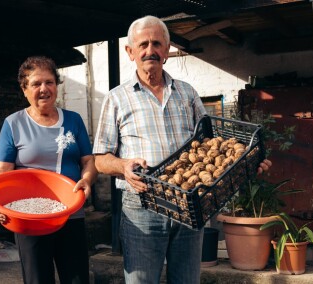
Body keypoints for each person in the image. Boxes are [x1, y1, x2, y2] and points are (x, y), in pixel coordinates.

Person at [92, 15, 272, 284]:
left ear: (166, 50)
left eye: (156, 43)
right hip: (143, 206)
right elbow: (100, 160)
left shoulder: (187, 93)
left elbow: (214, 144)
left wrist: (245, 160)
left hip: (191, 204)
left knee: (187, 280)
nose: (149, 50)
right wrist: (123, 166)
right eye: (142, 44)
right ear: (130, 52)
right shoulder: (117, 98)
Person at [0, 55, 97, 284]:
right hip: (30, 218)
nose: (44, 89)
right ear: (24, 90)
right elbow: (1, 169)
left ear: (56, 85)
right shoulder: (14, 123)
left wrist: (87, 180)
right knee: (38, 279)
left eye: (49, 82)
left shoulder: (73, 120)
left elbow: (88, 161)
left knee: (77, 279)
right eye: (36, 84)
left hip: (71, 212)